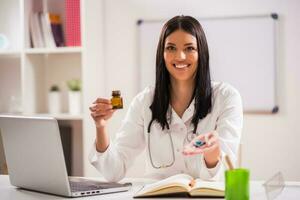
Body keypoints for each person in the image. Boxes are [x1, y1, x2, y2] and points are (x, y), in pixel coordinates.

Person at [89, 15, 243, 182]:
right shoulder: (145, 101)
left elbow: (225, 172)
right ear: (162, 54)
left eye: (189, 48)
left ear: (201, 52)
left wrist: (212, 153)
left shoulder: (226, 97)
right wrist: (101, 127)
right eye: (171, 48)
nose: (180, 56)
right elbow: (113, 172)